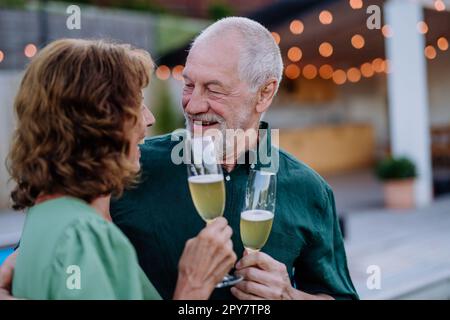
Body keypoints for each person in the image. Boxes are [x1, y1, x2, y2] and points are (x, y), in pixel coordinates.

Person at [109, 17, 358, 300]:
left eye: (214, 89)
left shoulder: (310, 190)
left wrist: (290, 296)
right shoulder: (130, 167)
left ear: (264, 93)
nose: (193, 105)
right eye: (189, 84)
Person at [0, 38, 236, 300]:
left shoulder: (44, 215)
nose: (149, 119)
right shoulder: (82, 238)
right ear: (98, 121)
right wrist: (192, 288)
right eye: (136, 103)